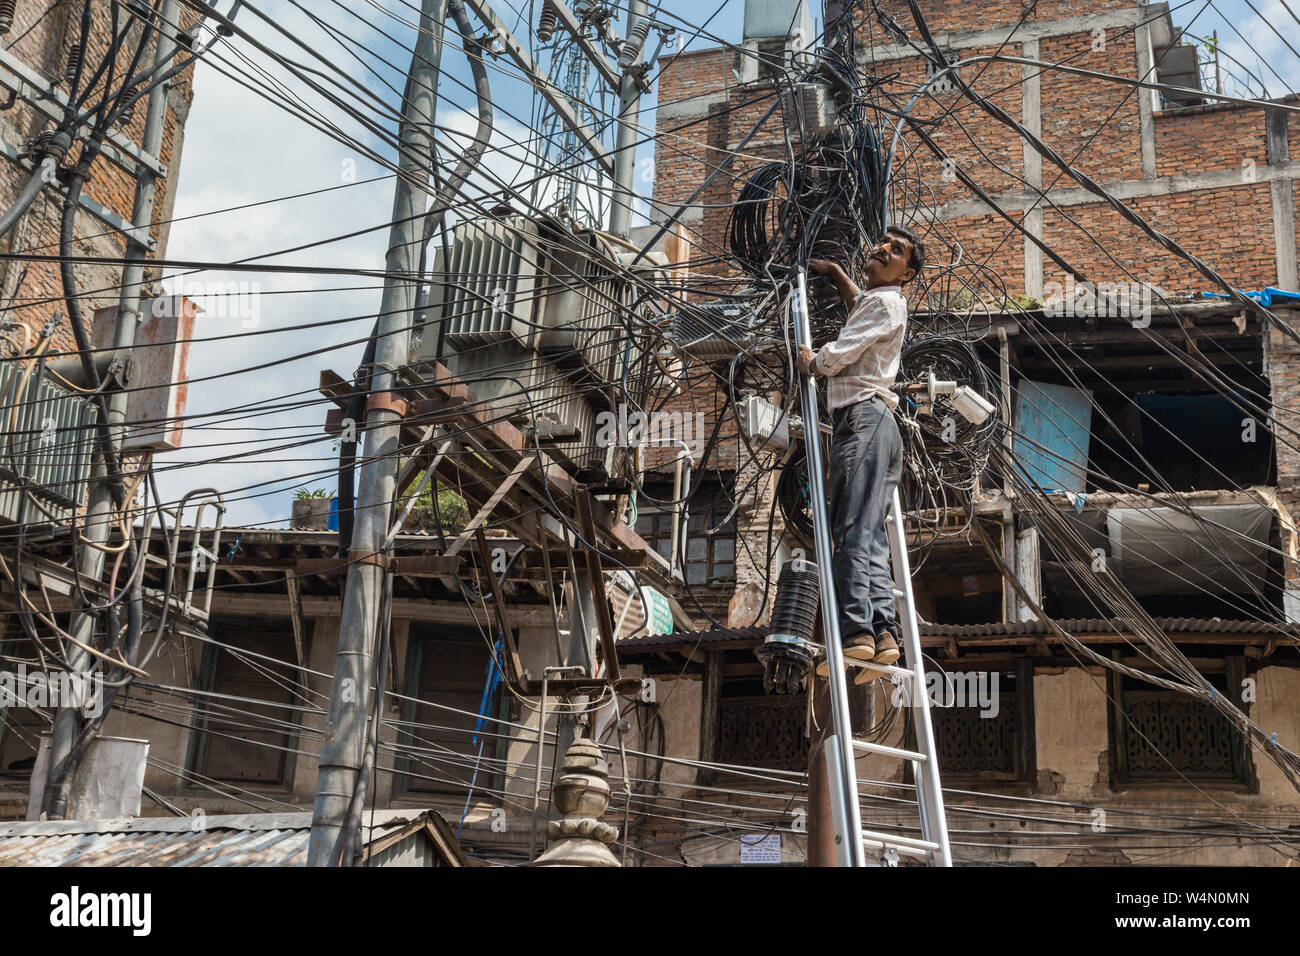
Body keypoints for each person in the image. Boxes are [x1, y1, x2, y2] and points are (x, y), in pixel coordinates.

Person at [795, 226, 924, 684]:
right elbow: (861, 312)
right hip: (879, 427)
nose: (884, 249)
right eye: (884, 242)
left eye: (898, 251)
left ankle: (854, 635)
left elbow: (842, 353)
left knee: (849, 529)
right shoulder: (880, 303)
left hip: (864, 422)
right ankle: (883, 635)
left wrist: (813, 361)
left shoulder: (887, 303)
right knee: (868, 535)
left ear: (906, 273)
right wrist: (834, 273)